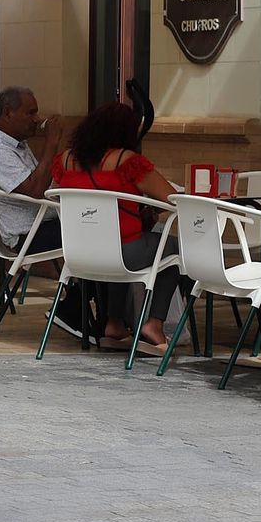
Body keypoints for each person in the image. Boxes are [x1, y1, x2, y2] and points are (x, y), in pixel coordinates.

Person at [51, 102, 191, 350]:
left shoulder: (65, 160)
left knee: (116, 241)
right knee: (174, 249)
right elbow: (173, 199)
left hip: (77, 255)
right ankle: (154, 324)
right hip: (121, 253)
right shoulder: (126, 161)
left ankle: (114, 325)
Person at [0, 86, 64, 252]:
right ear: (8, 113)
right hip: (28, 234)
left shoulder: (16, 143)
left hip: (45, 222)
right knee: (93, 231)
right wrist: (51, 143)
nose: (36, 119)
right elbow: (36, 190)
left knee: (94, 223)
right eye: (30, 113)